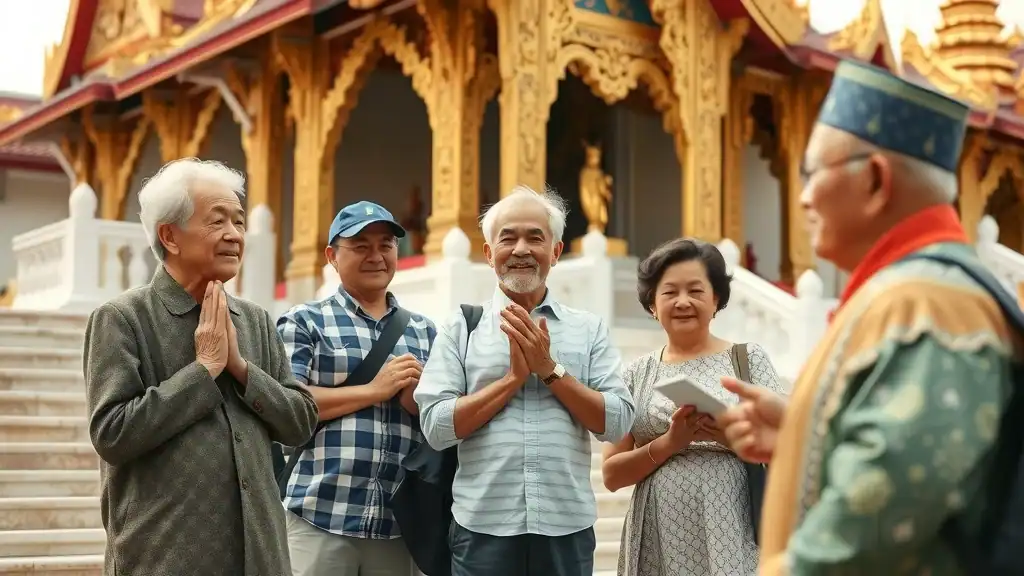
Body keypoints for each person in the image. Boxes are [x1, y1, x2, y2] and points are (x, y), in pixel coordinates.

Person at [717, 60, 1017, 574]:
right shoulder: (905, 294)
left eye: (811, 173)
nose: (804, 196)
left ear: (876, 179)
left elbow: (863, 539)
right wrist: (804, 431)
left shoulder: (927, 306)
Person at [82, 158, 319, 576]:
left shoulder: (256, 320)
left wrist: (242, 369)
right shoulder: (123, 319)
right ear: (170, 236)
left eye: (239, 222)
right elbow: (113, 433)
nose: (234, 235)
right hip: (165, 557)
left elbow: (301, 422)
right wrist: (204, 369)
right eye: (217, 221)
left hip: (261, 557)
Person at [415, 185, 636, 576]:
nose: (521, 249)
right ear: (488, 254)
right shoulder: (462, 328)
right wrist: (513, 380)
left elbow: (618, 421)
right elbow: (435, 426)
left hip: (565, 527)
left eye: (535, 238)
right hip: (482, 527)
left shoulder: (587, 329)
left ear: (556, 251)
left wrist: (550, 370)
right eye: (508, 238)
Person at [601, 238, 784, 576]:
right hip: (657, 528)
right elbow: (611, 474)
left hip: (734, 524)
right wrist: (670, 442)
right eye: (670, 292)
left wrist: (730, 436)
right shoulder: (635, 374)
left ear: (716, 300)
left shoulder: (747, 359)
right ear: (652, 305)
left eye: (696, 291)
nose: (683, 301)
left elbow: (788, 448)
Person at [277, 200, 436, 576]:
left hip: (397, 524)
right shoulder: (305, 321)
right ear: (332, 256)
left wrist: (416, 400)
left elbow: (439, 418)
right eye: (361, 246)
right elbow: (287, 405)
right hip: (320, 513)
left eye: (386, 245)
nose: (376, 256)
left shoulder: (426, 332)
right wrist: (375, 390)